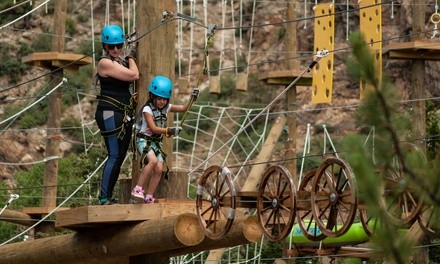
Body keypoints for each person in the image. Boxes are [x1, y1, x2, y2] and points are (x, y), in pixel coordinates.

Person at [131, 75, 198, 203]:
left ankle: (149, 196)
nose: (162, 102)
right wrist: (170, 130)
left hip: (156, 143)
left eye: (164, 99)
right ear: (153, 97)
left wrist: (192, 98)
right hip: (144, 141)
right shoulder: (147, 109)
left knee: (159, 168)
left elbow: (183, 109)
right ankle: (137, 188)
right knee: (152, 161)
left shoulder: (166, 107)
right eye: (159, 98)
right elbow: (153, 128)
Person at [95, 24, 139, 205]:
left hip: (122, 113)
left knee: (120, 155)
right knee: (114, 154)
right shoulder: (105, 63)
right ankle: (104, 197)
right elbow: (134, 75)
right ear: (105, 47)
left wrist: (128, 55)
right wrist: (130, 55)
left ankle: (108, 196)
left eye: (119, 46)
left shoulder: (118, 62)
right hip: (109, 113)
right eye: (111, 46)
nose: (115, 49)